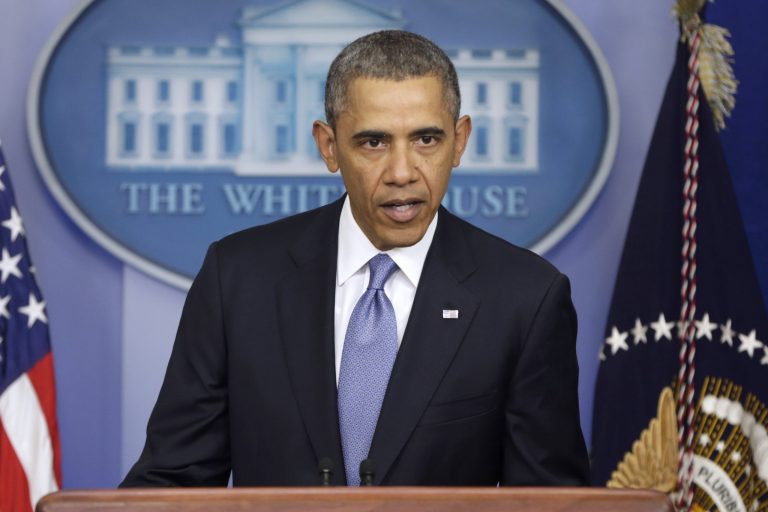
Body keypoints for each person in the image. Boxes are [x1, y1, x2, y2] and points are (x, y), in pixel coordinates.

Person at [121, 30, 589, 487]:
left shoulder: (525, 298)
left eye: (427, 139)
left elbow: (550, 500)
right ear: (329, 146)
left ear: (460, 140)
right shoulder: (239, 279)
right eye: (374, 142)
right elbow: (173, 481)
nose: (402, 172)